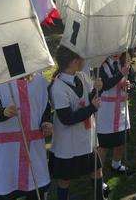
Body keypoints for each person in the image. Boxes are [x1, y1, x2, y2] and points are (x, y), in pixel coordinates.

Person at [48, 46, 105, 200]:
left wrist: (98, 90)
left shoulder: (81, 76)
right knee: (65, 179)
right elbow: (67, 119)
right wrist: (92, 108)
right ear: (73, 62)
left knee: (96, 169)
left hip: (86, 137)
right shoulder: (58, 88)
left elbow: (88, 97)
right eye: (80, 58)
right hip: (68, 143)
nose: (83, 61)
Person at [0, 74, 52, 200]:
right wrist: (3, 112)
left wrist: (46, 122)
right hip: (6, 153)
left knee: (35, 189)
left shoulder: (39, 82)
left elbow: (44, 107)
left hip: (33, 151)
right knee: (5, 188)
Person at [97, 55, 131, 174]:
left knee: (121, 140)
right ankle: (98, 174)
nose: (117, 53)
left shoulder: (123, 62)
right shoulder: (101, 65)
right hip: (107, 110)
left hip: (121, 107)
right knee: (104, 145)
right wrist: (121, 74)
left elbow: (123, 83)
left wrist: (126, 85)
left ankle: (116, 164)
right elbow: (105, 85)